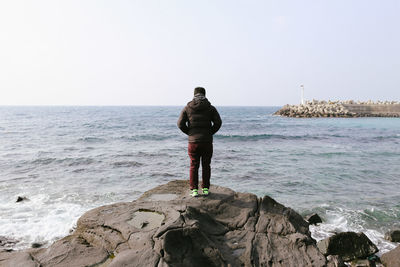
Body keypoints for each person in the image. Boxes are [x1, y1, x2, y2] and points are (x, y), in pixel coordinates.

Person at [177, 87, 222, 197]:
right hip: (207, 141)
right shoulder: (211, 108)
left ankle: (194, 190)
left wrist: (190, 133)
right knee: (206, 165)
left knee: (193, 165)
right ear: (204, 94)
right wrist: (210, 133)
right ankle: (205, 189)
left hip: (193, 142)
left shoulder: (187, 108)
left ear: (194, 95)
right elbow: (218, 123)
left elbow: (180, 124)